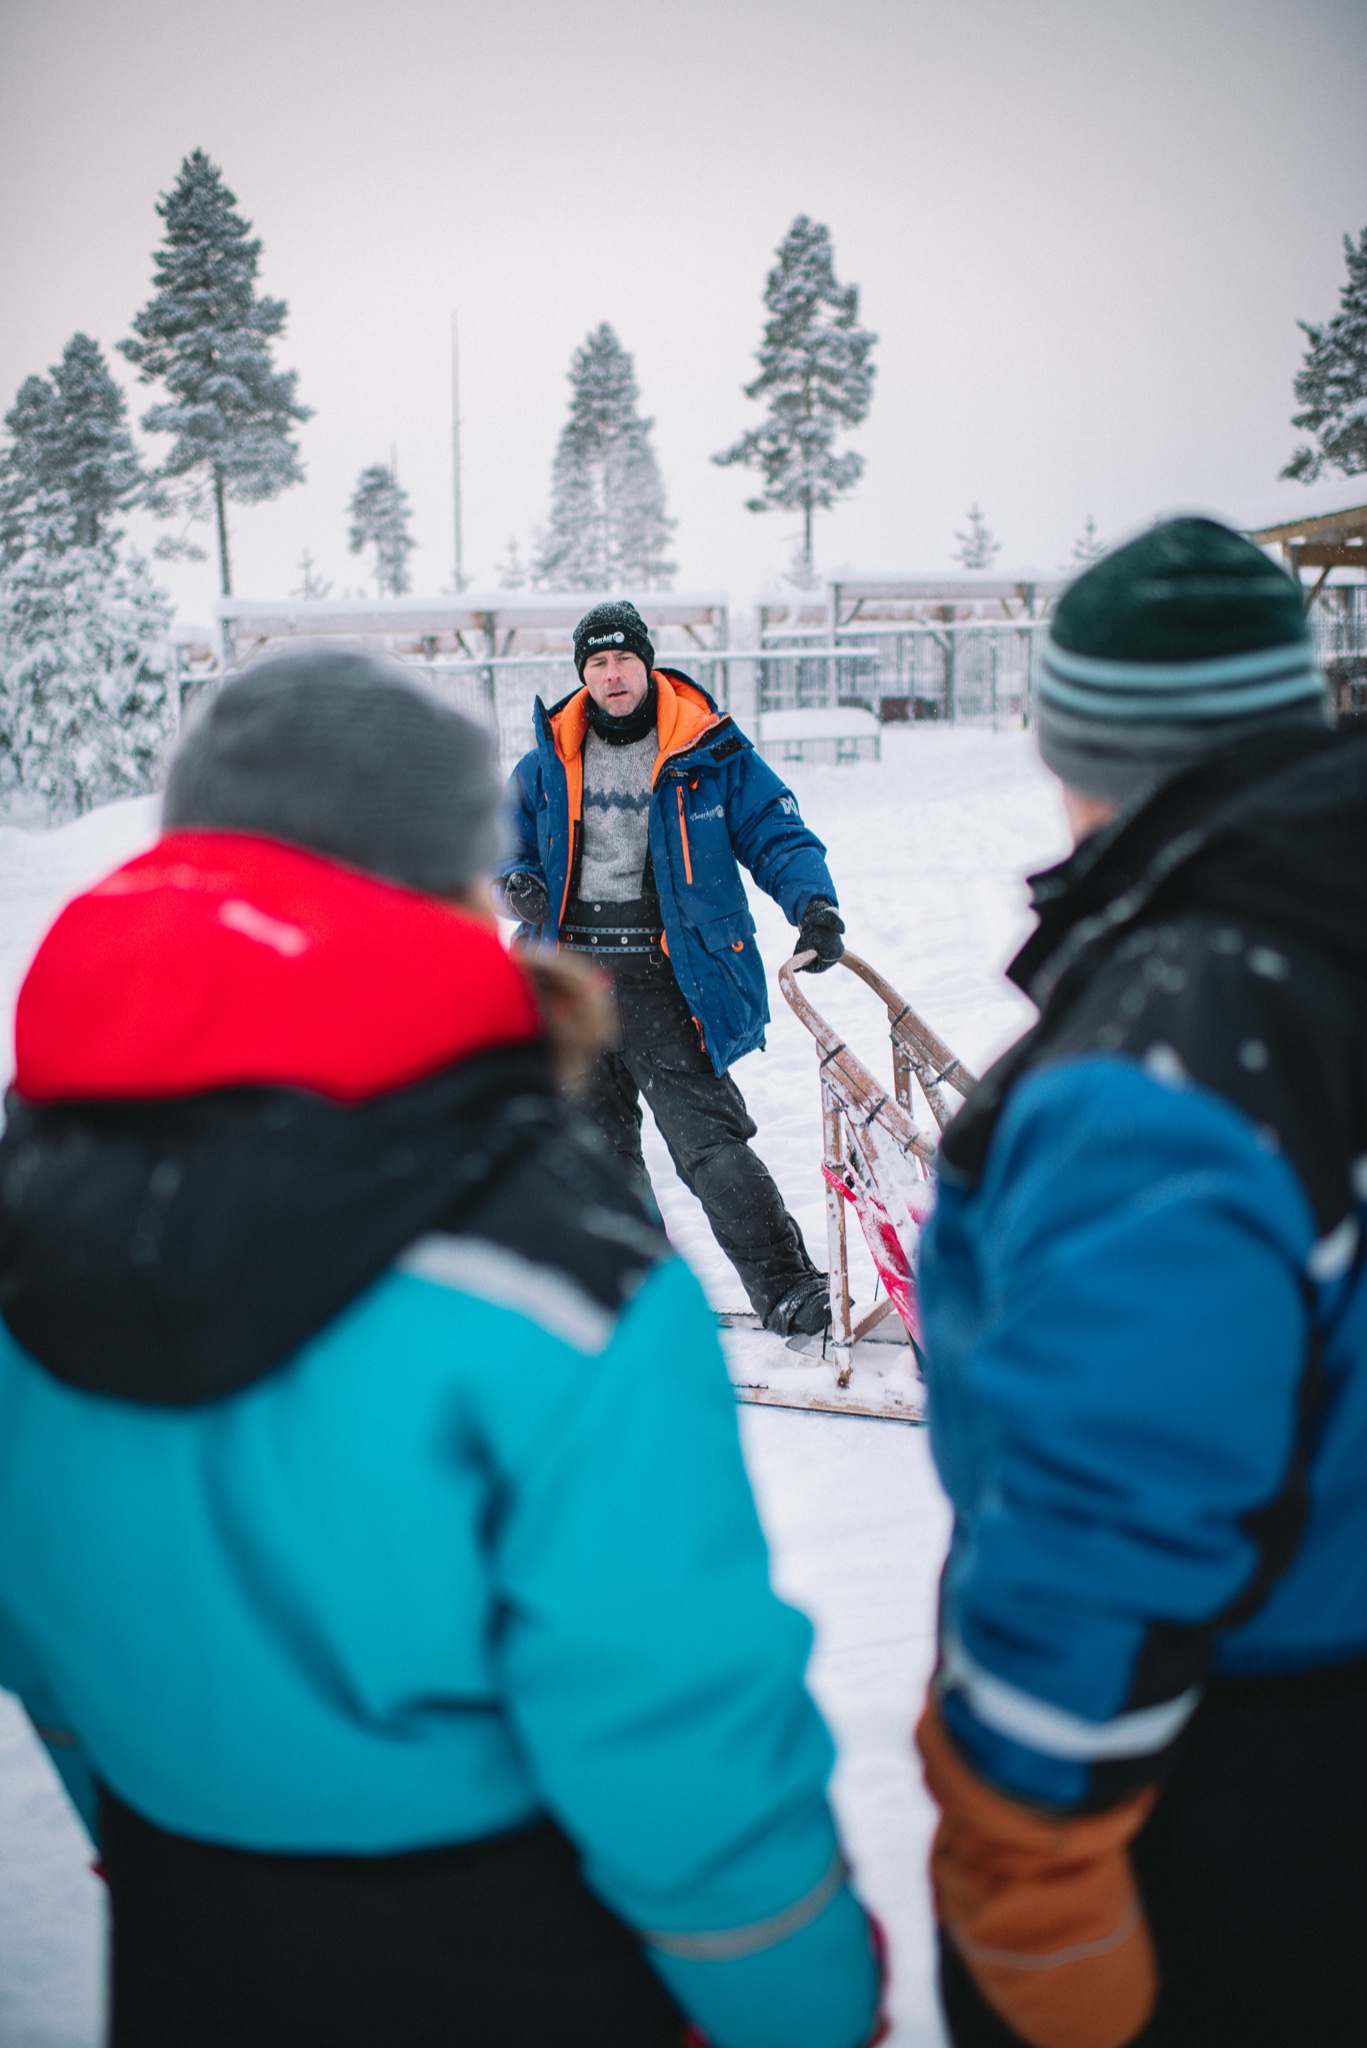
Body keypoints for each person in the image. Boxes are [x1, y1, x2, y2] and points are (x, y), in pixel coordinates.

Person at [0, 652, 886, 2048]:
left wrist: (161, 1831)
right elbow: (666, 1718)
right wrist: (802, 2001)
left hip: (187, 1935)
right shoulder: (556, 1266)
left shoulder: (32, 1212)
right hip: (519, 1954)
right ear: (451, 878)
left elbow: (42, 1630)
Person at [914, 518, 1367, 2048]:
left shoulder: (1176, 1044)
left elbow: (1113, 1490)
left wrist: (1022, 1855)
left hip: (1240, 1778)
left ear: (1082, 748)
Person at [498, 601, 844, 1337]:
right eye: (596, 663)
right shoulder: (545, 762)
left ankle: (787, 1288)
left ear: (647, 662)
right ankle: (635, 1299)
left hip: (668, 974)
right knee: (594, 1154)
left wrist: (813, 905)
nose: (612, 674)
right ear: (581, 674)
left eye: (622, 659)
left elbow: (774, 832)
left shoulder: (708, 752)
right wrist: (513, 882)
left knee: (710, 1146)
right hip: (569, 981)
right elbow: (500, 847)